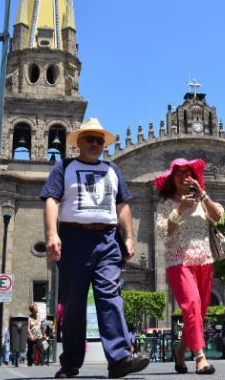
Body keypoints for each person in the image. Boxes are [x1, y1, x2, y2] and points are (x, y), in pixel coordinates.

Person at [40, 118, 150, 379]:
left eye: (99, 140)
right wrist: (52, 234)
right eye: (89, 139)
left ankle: (120, 357)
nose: (95, 144)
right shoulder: (63, 167)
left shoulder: (113, 170)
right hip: (73, 240)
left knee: (110, 295)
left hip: (107, 241)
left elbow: (122, 205)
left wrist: (129, 237)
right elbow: (52, 200)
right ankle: (71, 363)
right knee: (74, 304)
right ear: (78, 142)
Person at [154, 157, 224, 374]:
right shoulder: (166, 204)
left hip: (205, 261)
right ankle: (200, 358)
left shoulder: (202, 199)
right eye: (179, 173)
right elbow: (162, 231)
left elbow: (219, 217)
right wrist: (179, 209)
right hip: (179, 261)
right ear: (172, 179)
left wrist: (203, 195)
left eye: (188, 173)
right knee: (191, 306)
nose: (185, 177)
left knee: (198, 315)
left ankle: (180, 351)